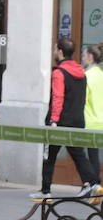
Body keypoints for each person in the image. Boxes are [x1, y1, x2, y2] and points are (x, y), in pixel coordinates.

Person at [35, 37, 100, 200]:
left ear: (61, 52)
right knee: (78, 154)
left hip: (60, 121)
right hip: (77, 120)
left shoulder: (59, 72)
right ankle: (93, 183)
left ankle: (45, 191)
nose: (54, 52)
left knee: (49, 154)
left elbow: (58, 97)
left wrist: (53, 120)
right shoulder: (81, 72)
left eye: (55, 49)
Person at [84, 44, 103, 171]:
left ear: (90, 57)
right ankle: (93, 183)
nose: (82, 59)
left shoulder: (86, 76)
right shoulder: (101, 75)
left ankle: (92, 183)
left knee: (81, 155)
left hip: (88, 121)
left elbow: (82, 99)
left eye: (83, 55)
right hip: (100, 122)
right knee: (93, 155)